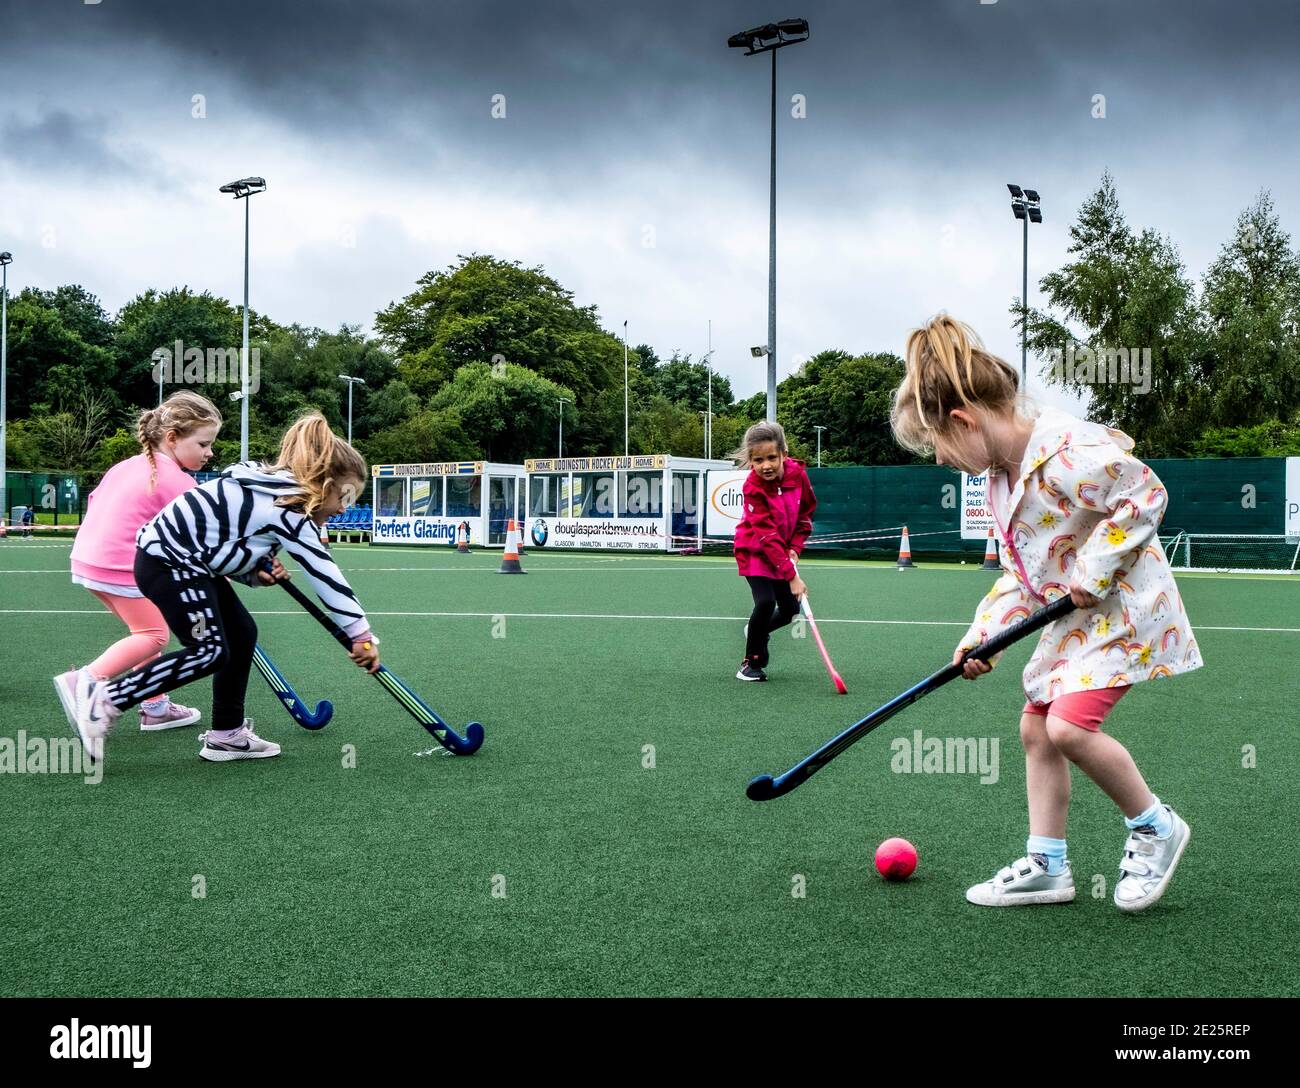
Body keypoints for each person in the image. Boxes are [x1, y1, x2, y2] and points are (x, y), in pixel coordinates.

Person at [890, 314, 1201, 912]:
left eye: (936, 445)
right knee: (1037, 729)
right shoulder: (1003, 480)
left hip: (1125, 613)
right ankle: (1047, 865)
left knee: (1067, 727)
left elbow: (1145, 494)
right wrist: (985, 635)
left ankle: (1157, 827)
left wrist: (1094, 570)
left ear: (963, 419)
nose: (937, 460)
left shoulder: (1066, 450)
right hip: (1074, 623)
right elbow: (1022, 574)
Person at [66, 413, 380, 766]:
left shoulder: (268, 488)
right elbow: (324, 573)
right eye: (345, 497)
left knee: (242, 633)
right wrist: (361, 635)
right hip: (169, 564)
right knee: (209, 650)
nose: (343, 510)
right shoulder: (288, 507)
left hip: (189, 564)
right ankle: (104, 700)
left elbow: (224, 546)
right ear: (323, 485)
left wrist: (253, 573)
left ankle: (227, 736)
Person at [55, 392, 221, 732]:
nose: (210, 453)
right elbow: (201, 538)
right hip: (120, 566)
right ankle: (83, 683)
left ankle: (155, 706)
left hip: (88, 562)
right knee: (153, 634)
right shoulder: (179, 482)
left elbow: (96, 502)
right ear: (173, 438)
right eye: (203, 444)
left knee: (143, 628)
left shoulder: (128, 465)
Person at [730, 421, 817, 682]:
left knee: (791, 609)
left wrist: (795, 548)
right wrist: (792, 576)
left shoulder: (798, 476)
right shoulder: (753, 488)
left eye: (771, 458)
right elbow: (766, 536)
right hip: (755, 551)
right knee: (766, 602)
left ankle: (757, 630)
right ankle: (750, 664)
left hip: (782, 552)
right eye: (758, 460)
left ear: (783, 454)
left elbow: (805, 515)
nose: (765, 465)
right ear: (750, 461)